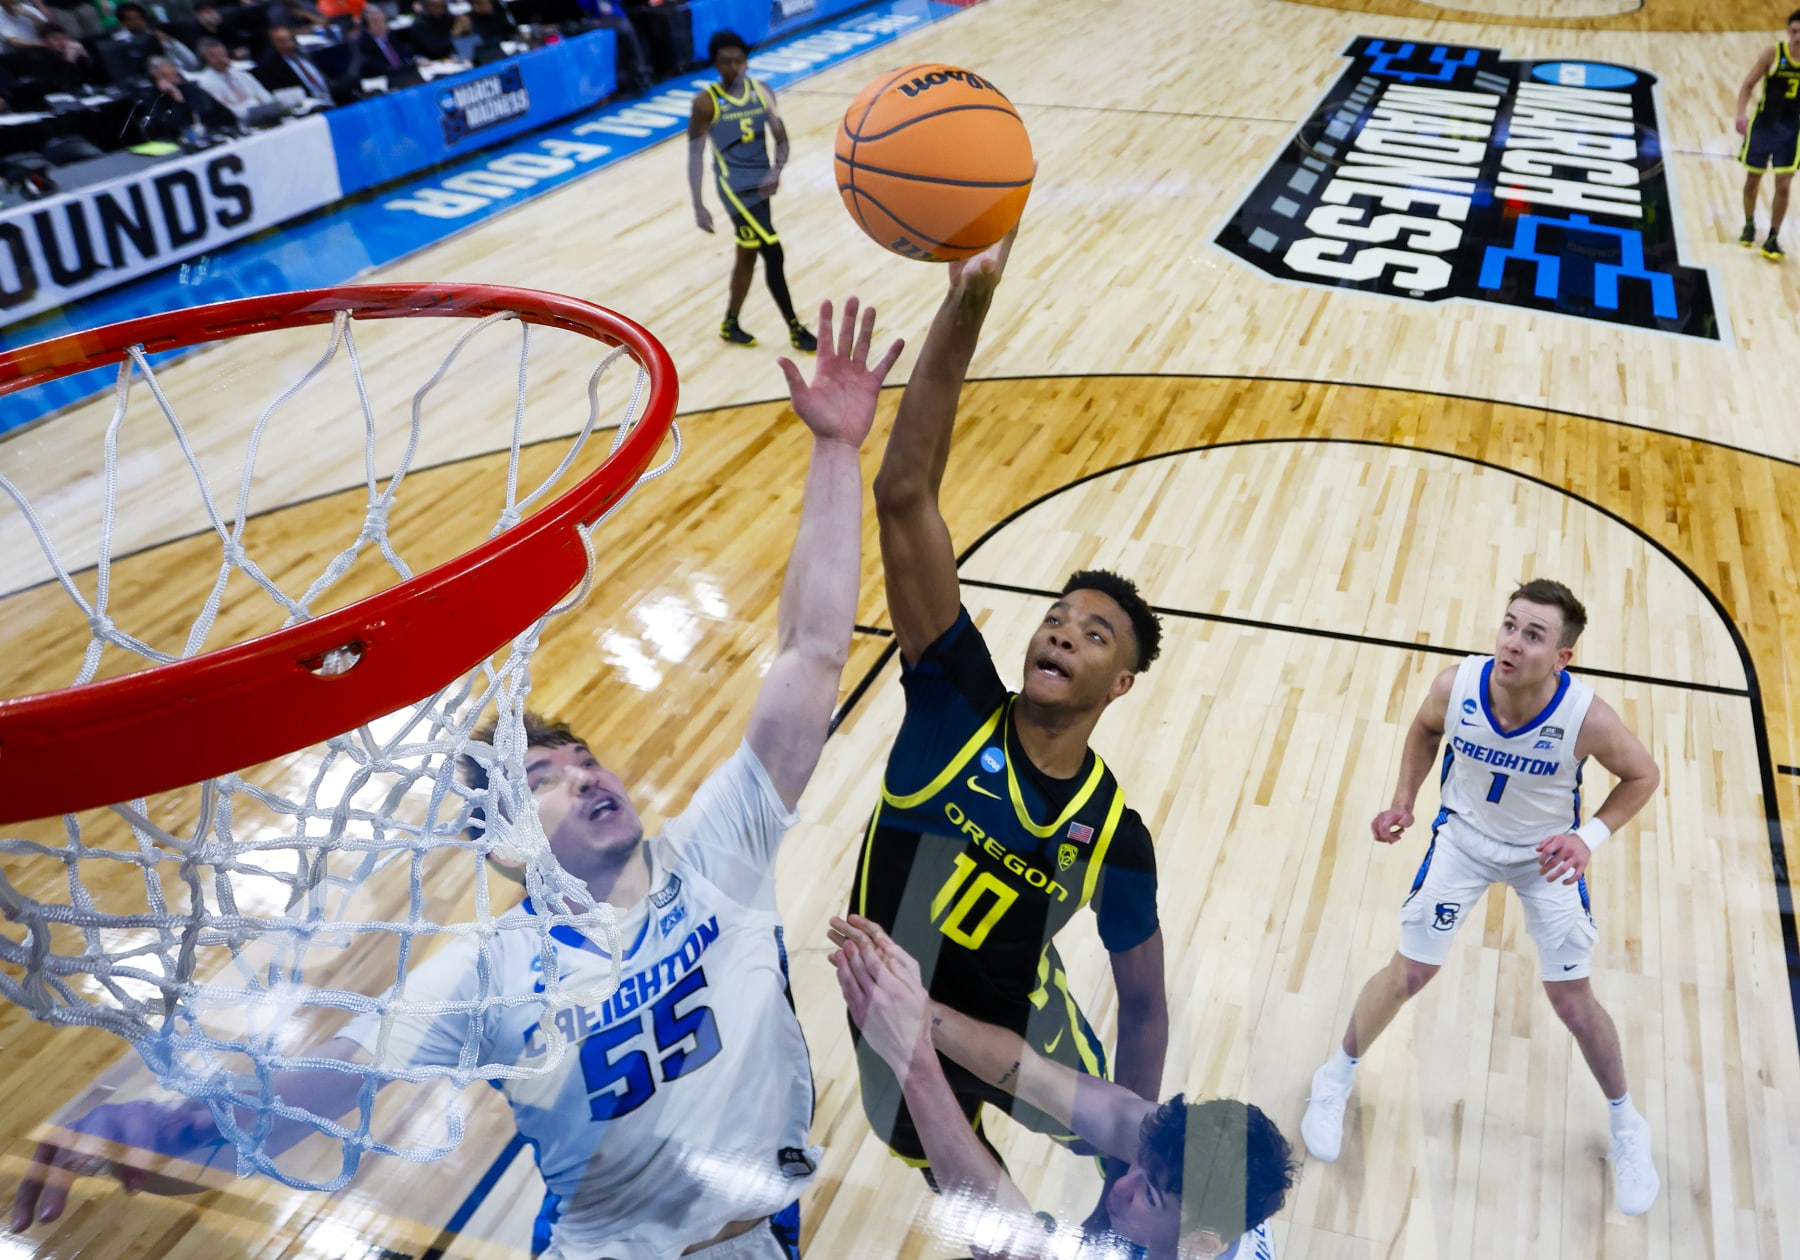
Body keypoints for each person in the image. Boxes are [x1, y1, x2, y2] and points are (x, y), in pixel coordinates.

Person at [9, 298, 903, 1260]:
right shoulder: (486, 968)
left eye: (583, 759)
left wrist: (837, 451)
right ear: (506, 841)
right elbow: (333, 1080)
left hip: (766, 1236)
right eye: (545, 779)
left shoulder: (718, 848)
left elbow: (811, 653)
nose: (586, 775)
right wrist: (167, 1124)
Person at [848, 228, 1169, 1205]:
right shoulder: (951, 699)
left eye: (1096, 634)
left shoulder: (1114, 832)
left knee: (1122, 1140)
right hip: (886, 1014)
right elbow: (904, 493)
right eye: (1058, 618)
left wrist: (1136, 1160)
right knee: (968, 1192)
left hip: (1025, 1019)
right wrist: (967, 306)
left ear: (1121, 684)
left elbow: (1146, 1002)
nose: (1064, 634)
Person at [1300, 580, 1662, 1216]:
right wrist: (1405, 801)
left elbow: (1643, 775)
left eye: (1533, 635)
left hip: (1543, 858)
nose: (1513, 643)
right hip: (1462, 842)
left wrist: (1588, 837)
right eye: (1509, 626)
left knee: (1574, 1003)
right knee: (1409, 972)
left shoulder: (1586, 716)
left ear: (1563, 658)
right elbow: (1422, 729)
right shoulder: (1457, 685)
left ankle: (1628, 1127)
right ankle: (1334, 1077)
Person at [831, 914, 1296, 1259]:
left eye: (1148, 1195)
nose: (1120, 1185)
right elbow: (1032, 1074)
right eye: (1138, 1165)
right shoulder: (1196, 1184)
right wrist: (919, 1010)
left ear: (1202, 1244)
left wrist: (912, 1059)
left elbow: (1012, 1243)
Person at [686, 29, 816, 352]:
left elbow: (782, 140)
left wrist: (777, 169)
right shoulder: (706, 102)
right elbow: (694, 155)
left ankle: (730, 322)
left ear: (746, 61)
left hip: (761, 186)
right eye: (726, 62)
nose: (734, 67)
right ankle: (795, 328)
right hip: (733, 189)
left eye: (739, 60)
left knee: (747, 254)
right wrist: (699, 204)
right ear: (715, 63)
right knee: (773, 250)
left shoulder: (763, 92)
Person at [1735, 8, 1800, 261]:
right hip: (1763, 125)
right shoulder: (1773, 54)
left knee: (1783, 185)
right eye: (1794, 31)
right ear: (1788, 32)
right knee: (1753, 181)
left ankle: (1773, 237)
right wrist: (1740, 113)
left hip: (1791, 128)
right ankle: (1749, 223)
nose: (1798, 37)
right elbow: (1748, 84)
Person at [137, 54, 235, 139]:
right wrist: (177, 98)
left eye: (174, 69)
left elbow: (223, 114)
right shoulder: (152, 99)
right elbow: (178, 125)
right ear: (156, 77)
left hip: (211, 135)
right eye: (166, 75)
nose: (174, 72)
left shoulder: (190, 88)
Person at [192, 36, 273, 117]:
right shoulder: (204, 83)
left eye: (222, 54)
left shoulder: (241, 74)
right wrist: (254, 102)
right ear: (205, 59)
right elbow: (229, 110)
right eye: (214, 56)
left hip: (266, 116)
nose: (221, 59)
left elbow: (266, 97)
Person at [254, 23, 333, 103]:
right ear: (273, 45)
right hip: (309, 103)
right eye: (282, 41)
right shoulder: (270, 68)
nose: (288, 43)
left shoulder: (307, 54)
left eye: (290, 38)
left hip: (332, 95)